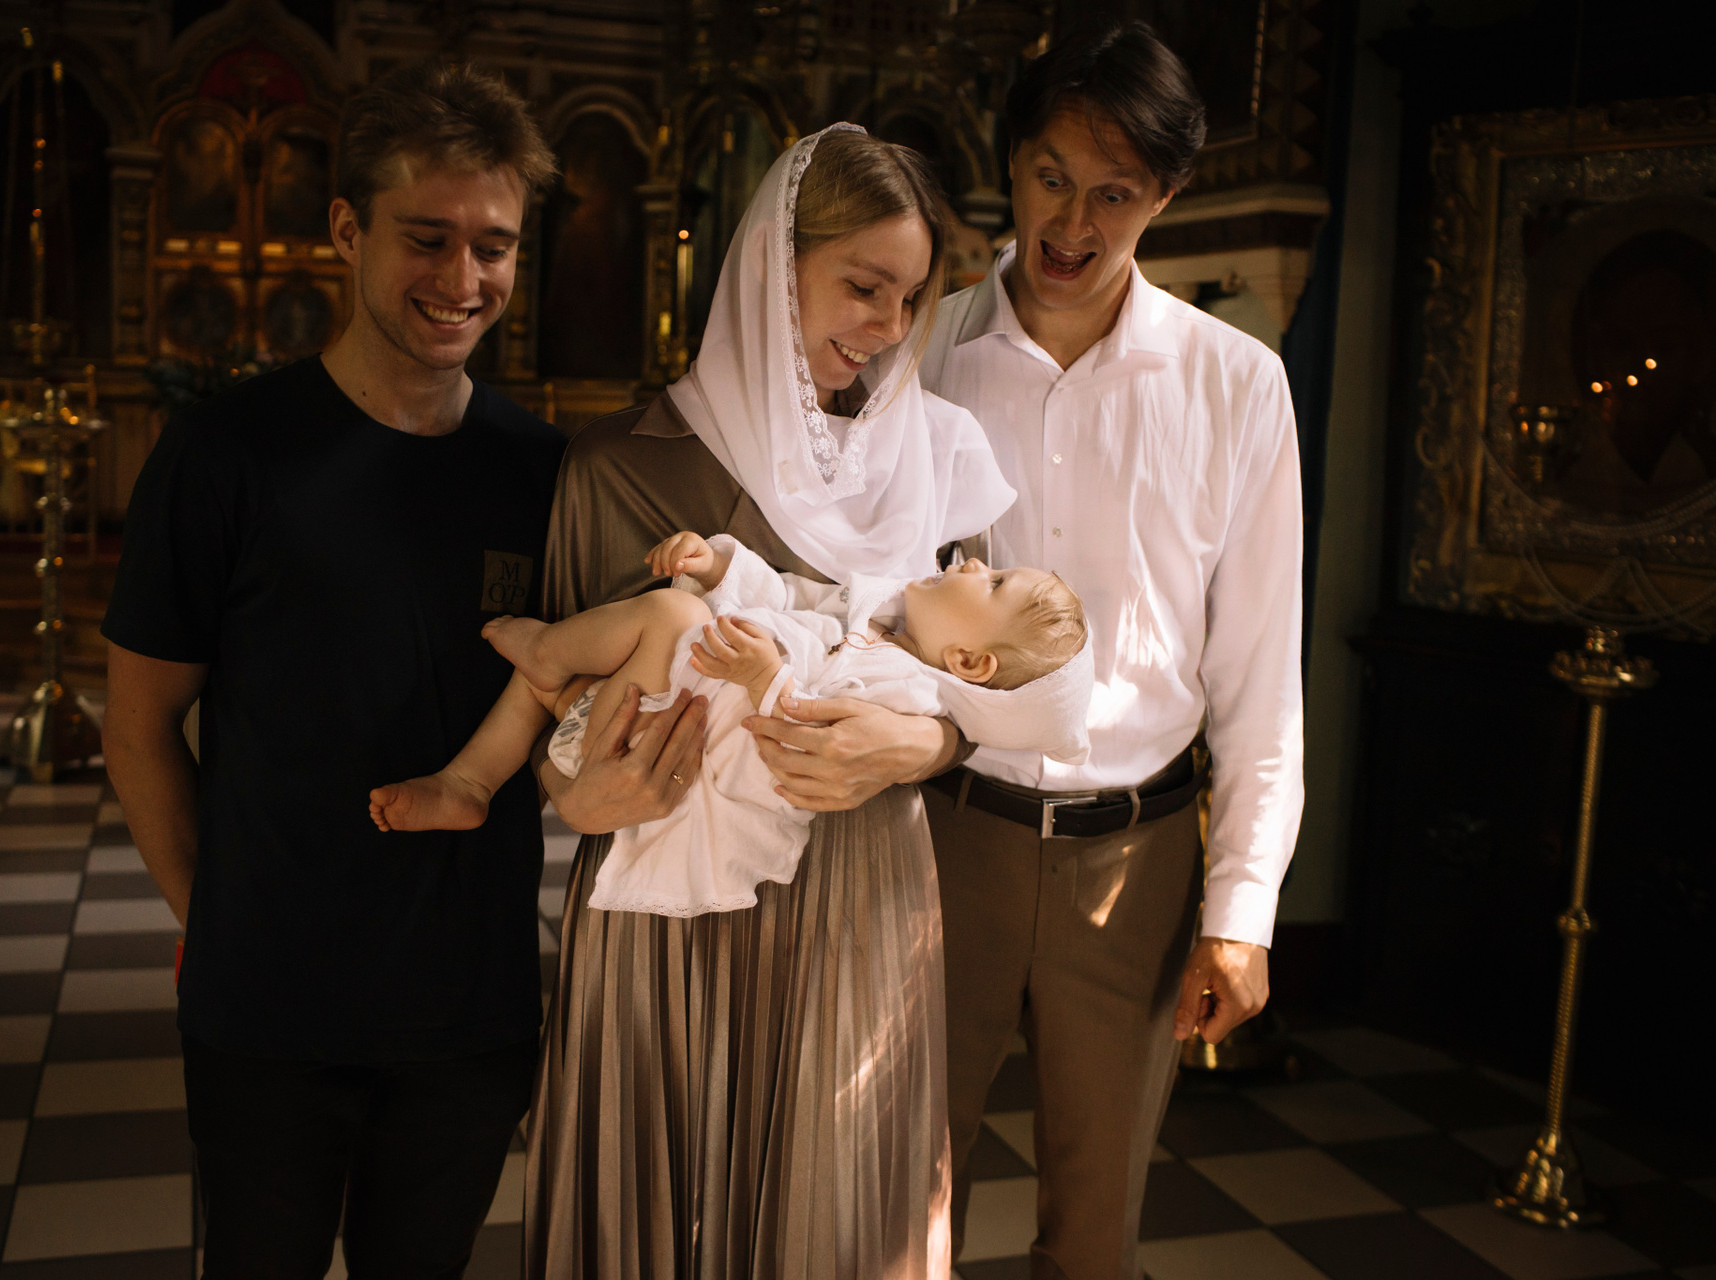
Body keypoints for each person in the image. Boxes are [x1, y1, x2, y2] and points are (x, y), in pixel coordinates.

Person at [522, 124, 1016, 1279]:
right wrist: (567, 791)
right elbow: (554, 708)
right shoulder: (620, 463)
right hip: (665, 897)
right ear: (768, 264)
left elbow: (980, 694)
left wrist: (922, 740)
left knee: (838, 1223)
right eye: (863, 285)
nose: (889, 326)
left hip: (858, 889)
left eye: (911, 298)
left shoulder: (942, 458)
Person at [99, 61, 563, 1279]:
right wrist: (220, 921)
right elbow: (138, 725)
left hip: (468, 1006)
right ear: (350, 230)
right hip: (270, 1010)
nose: (464, 279)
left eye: (495, 246)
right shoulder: (226, 453)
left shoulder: (543, 473)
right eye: (429, 237)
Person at [917, 23, 1305, 1280]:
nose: (1072, 222)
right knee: (891, 1215)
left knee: (1095, 1243)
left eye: (1114, 193)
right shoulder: (923, 356)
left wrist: (1240, 912)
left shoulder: (1236, 386)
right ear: (1012, 165)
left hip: (1136, 861)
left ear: (1166, 196)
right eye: (1051, 177)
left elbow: (1261, 677)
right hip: (940, 834)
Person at [369, 532, 1092, 919]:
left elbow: (805, 735)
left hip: (678, 753)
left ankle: (548, 648)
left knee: (671, 613)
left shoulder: (905, 693)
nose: (976, 560)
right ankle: (469, 781)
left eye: (995, 582)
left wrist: (763, 676)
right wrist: (718, 565)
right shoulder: (876, 617)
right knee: (594, 664)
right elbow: (785, 596)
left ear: (967, 661)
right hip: (648, 713)